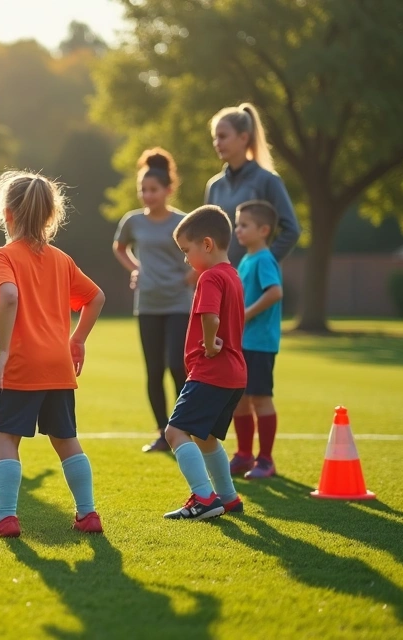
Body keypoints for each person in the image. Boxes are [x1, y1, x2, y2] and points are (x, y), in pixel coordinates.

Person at [0, 171, 106, 538]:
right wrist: (77, 340)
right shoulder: (61, 258)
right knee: (65, 438)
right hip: (59, 365)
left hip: (23, 363)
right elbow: (96, 298)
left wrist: (3, 352)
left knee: (5, 438)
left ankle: (6, 517)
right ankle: (88, 513)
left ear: (7, 214)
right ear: (49, 216)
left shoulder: (3, 255)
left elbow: (9, 296)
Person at [162, 206, 246, 520]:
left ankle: (203, 497)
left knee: (174, 432)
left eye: (187, 251)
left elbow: (210, 317)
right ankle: (228, 498)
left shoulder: (210, 277)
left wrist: (210, 344)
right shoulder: (232, 276)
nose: (186, 259)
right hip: (234, 374)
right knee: (205, 437)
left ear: (207, 245)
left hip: (211, 372)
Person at [112, 148, 195, 453]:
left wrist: (191, 277)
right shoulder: (133, 221)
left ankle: (183, 429)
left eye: (153, 190)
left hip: (179, 303)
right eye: (143, 190)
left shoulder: (185, 221)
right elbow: (120, 247)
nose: (147, 195)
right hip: (147, 304)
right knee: (154, 369)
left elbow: (201, 253)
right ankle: (163, 434)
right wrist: (136, 268)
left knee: (178, 365)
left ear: (168, 190)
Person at [204, 103, 299, 265]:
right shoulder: (214, 186)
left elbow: (291, 231)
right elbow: (206, 235)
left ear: (244, 138)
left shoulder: (268, 181)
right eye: (215, 137)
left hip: (255, 286)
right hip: (221, 281)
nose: (217, 143)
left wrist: (261, 263)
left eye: (223, 136)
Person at [231, 201, 284, 480]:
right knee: (240, 399)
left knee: (261, 399)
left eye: (244, 225)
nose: (238, 229)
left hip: (260, 343)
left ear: (263, 230)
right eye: (237, 224)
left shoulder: (264, 258)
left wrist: (246, 314)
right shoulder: (247, 258)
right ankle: (243, 455)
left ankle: (266, 459)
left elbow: (275, 292)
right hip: (243, 342)